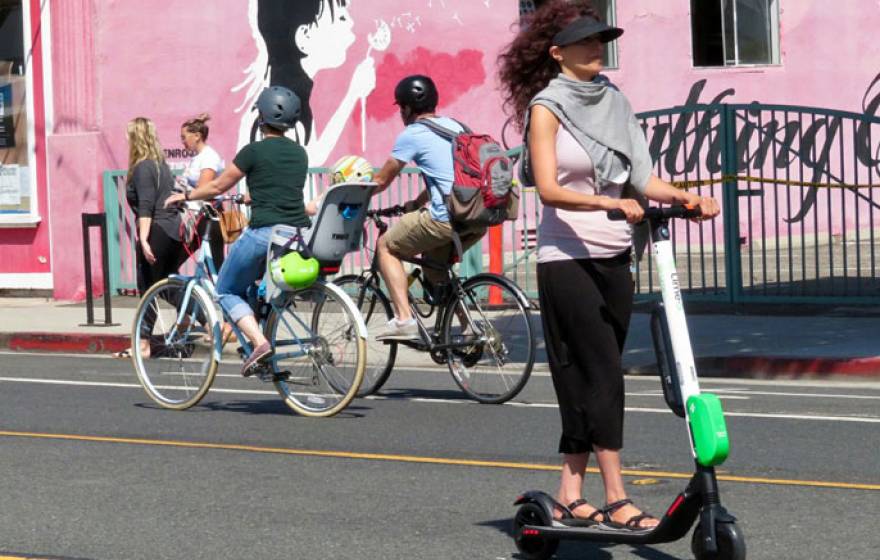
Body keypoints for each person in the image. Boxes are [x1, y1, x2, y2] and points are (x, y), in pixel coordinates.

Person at [497, 0, 721, 530]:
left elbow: (643, 180)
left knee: (584, 375)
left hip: (616, 253)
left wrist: (689, 197)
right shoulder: (546, 109)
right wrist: (607, 202)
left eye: (602, 40)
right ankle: (618, 498)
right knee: (603, 374)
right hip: (566, 256)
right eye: (586, 42)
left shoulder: (616, 101)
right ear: (558, 54)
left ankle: (571, 489)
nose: (598, 48)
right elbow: (549, 190)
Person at [166, 86, 310, 376]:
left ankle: (258, 343)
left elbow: (218, 186)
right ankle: (257, 339)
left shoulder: (252, 152)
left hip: (264, 233)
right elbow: (281, 189)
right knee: (252, 286)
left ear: (262, 117)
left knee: (226, 289)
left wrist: (186, 196)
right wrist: (250, 197)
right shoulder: (299, 153)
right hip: (296, 234)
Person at [370, 75, 487, 341]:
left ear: (407, 108)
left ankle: (404, 320)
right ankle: (469, 328)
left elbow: (382, 180)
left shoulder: (413, 134)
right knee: (435, 269)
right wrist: (417, 203)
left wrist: (352, 193)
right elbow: (450, 176)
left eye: (401, 107)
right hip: (477, 216)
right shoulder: (457, 126)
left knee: (387, 247)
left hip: (446, 218)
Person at [234, 0, 376, 165]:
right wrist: (353, 94)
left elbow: (311, 158)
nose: (351, 23)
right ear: (305, 35)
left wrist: (353, 94)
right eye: (342, 18)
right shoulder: (277, 113)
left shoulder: (292, 101)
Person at [117, 117, 189, 359]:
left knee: (148, 288)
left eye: (129, 136)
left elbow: (146, 206)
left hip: (157, 230)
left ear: (136, 138)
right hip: (173, 231)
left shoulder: (143, 167)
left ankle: (144, 344)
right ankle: (207, 321)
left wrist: (144, 239)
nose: (126, 140)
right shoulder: (162, 166)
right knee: (166, 285)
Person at [179, 113, 226, 271]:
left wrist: (184, 191)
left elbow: (204, 189)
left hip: (209, 216)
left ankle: (222, 294)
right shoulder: (197, 158)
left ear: (197, 136)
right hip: (198, 215)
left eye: (184, 137)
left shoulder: (209, 157)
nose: (182, 142)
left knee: (215, 264)